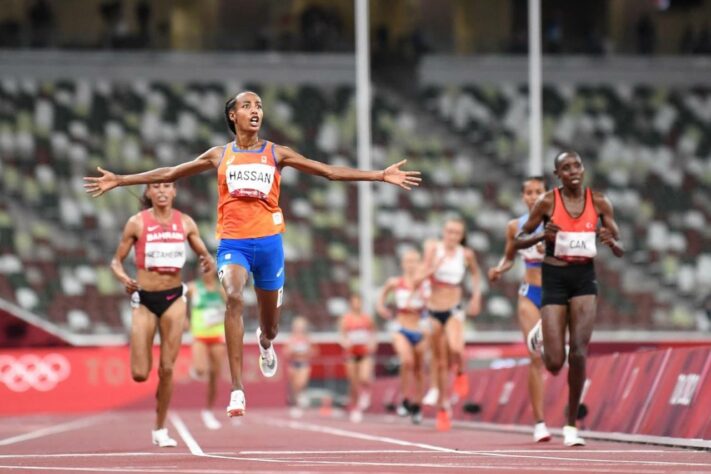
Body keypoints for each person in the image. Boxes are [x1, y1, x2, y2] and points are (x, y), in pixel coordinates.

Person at [85, 90, 421, 419]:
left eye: (259, 105)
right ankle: (237, 389)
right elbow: (171, 172)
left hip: (270, 245)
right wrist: (121, 179)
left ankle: (264, 342)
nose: (255, 110)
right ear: (234, 116)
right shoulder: (220, 155)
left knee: (270, 327)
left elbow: (329, 172)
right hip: (234, 244)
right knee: (232, 294)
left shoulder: (277, 153)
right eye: (247, 105)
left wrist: (380, 175)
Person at [518, 151, 624, 447]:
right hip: (554, 278)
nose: (573, 171)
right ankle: (544, 332)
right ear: (558, 175)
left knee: (579, 352)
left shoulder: (600, 201)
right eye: (566, 168)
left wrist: (612, 242)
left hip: (583, 280)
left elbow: (620, 245)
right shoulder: (547, 202)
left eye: (577, 165)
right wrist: (542, 237)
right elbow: (518, 241)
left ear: (583, 168)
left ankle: (571, 425)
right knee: (553, 363)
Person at [110, 182, 215, 447]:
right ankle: (158, 424)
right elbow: (116, 261)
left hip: (173, 299)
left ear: (174, 191)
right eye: (155, 187)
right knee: (140, 373)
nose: (161, 190)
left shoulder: (186, 222)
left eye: (167, 186)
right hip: (144, 299)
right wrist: (124, 278)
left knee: (167, 368)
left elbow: (205, 254)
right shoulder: (137, 223)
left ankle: (159, 428)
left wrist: (208, 260)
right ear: (148, 193)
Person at [488, 176, 551, 443]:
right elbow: (509, 255)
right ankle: (539, 423)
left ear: (546, 193)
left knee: (556, 357)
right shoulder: (515, 226)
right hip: (530, 292)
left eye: (538, 191)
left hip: (556, 292)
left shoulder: (560, 221)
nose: (533, 195)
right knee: (535, 357)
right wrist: (499, 269)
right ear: (522, 196)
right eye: (528, 192)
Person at [422, 217, 482, 431]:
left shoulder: (466, 254)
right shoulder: (433, 248)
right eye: (449, 231)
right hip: (433, 310)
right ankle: (443, 410)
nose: (452, 236)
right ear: (443, 232)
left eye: (457, 233)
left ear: (461, 236)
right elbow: (421, 275)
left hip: (454, 309)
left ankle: (460, 372)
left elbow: (475, 274)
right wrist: (433, 268)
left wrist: (476, 297)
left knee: (456, 348)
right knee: (438, 362)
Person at [376, 249, 429, 424]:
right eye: (408, 261)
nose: (411, 264)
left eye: (414, 261)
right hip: (401, 328)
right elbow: (381, 297)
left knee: (419, 369)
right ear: (402, 264)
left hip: (420, 329)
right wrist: (381, 308)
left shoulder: (425, 283)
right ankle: (405, 399)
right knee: (407, 361)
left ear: (419, 263)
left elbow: (433, 303)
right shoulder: (395, 282)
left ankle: (417, 405)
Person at [186, 268, 226, 430]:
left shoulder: (221, 288)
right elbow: (175, 297)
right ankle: (197, 368)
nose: (206, 273)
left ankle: (208, 410)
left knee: (214, 376)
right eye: (203, 269)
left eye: (209, 270)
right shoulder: (194, 287)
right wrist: (182, 318)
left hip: (217, 334)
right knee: (201, 370)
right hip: (200, 335)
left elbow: (233, 305)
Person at [339, 294, 377, 423]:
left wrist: (372, 344)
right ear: (351, 304)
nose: (356, 304)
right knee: (353, 383)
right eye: (354, 302)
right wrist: (345, 343)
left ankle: (366, 392)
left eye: (358, 302)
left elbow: (372, 334)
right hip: (351, 354)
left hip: (364, 353)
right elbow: (342, 336)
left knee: (364, 377)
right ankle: (355, 409)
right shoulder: (346, 319)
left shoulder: (367, 319)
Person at [284, 315, 314, 418]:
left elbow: (313, 351)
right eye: (298, 327)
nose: (299, 329)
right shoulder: (291, 339)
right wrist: (292, 350)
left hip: (304, 363)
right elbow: (286, 352)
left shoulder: (307, 339)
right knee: (295, 386)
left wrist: (307, 352)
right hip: (293, 363)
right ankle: (295, 405)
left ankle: (301, 396)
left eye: (301, 327)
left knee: (301, 383)